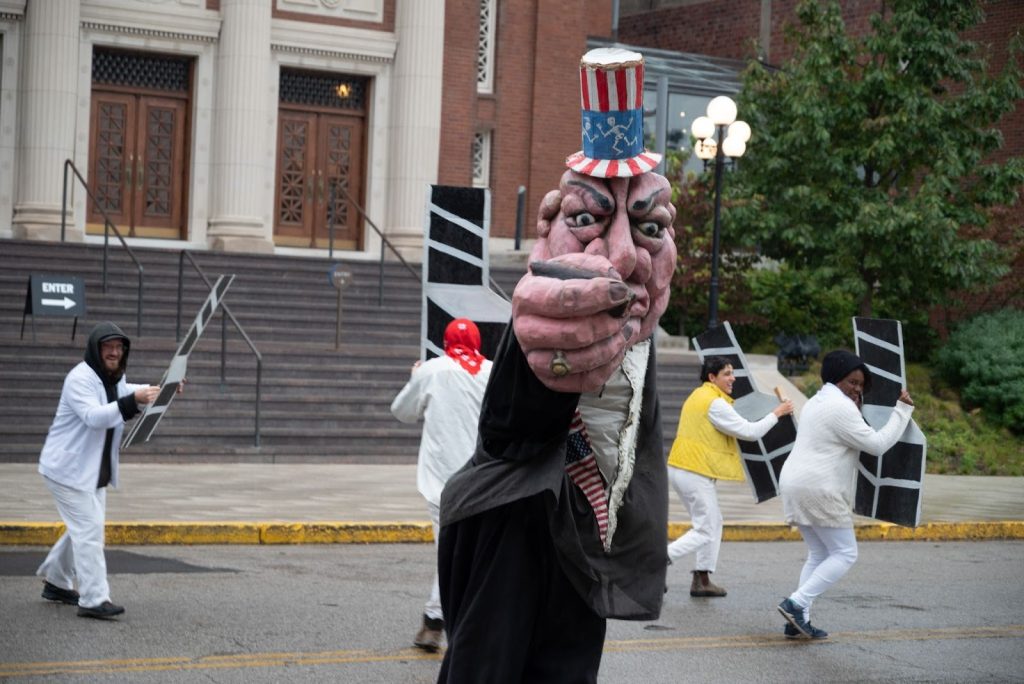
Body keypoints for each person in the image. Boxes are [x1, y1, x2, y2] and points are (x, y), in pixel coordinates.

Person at [437, 48, 676, 683]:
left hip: (582, 538)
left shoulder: (639, 334)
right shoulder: (538, 325)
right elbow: (511, 430)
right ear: (552, 232)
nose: (622, 250)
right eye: (587, 220)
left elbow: (637, 454)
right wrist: (559, 352)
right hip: (514, 525)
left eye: (648, 226)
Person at [776, 349, 914, 639]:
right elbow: (876, 444)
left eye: (861, 384)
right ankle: (796, 603)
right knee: (845, 553)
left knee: (818, 553)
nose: (857, 389)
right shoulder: (840, 408)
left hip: (794, 482)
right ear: (837, 378)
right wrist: (901, 411)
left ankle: (797, 619)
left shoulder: (818, 400)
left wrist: (859, 404)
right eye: (852, 382)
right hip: (818, 488)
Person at [36, 321, 161, 620]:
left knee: (84, 527)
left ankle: (56, 581)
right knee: (89, 530)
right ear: (95, 348)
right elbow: (94, 416)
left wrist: (159, 390)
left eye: (119, 347)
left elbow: (127, 390)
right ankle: (93, 599)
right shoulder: (79, 378)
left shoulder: (112, 377)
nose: (114, 352)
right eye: (108, 347)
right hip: (67, 469)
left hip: (91, 469)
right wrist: (134, 401)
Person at [390, 318, 492, 653]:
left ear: (446, 342)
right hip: (482, 478)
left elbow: (402, 412)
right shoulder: (492, 371)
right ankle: (443, 621)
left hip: (442, 483)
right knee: (472, 551)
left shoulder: (432, 370)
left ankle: (438, 622)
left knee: (449, 552)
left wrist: (415, 378)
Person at [666, 356, 793, 597]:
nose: (732, 378)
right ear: (712, 378)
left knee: (713, 523)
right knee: (705, 529)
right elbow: (749, 431)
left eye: (732, 373)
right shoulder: (714, 403)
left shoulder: (700, 396)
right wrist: (778, 412)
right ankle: (656, 563)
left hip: (684, 468)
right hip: (693, 471)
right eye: (726, 374)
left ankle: (702, 578)